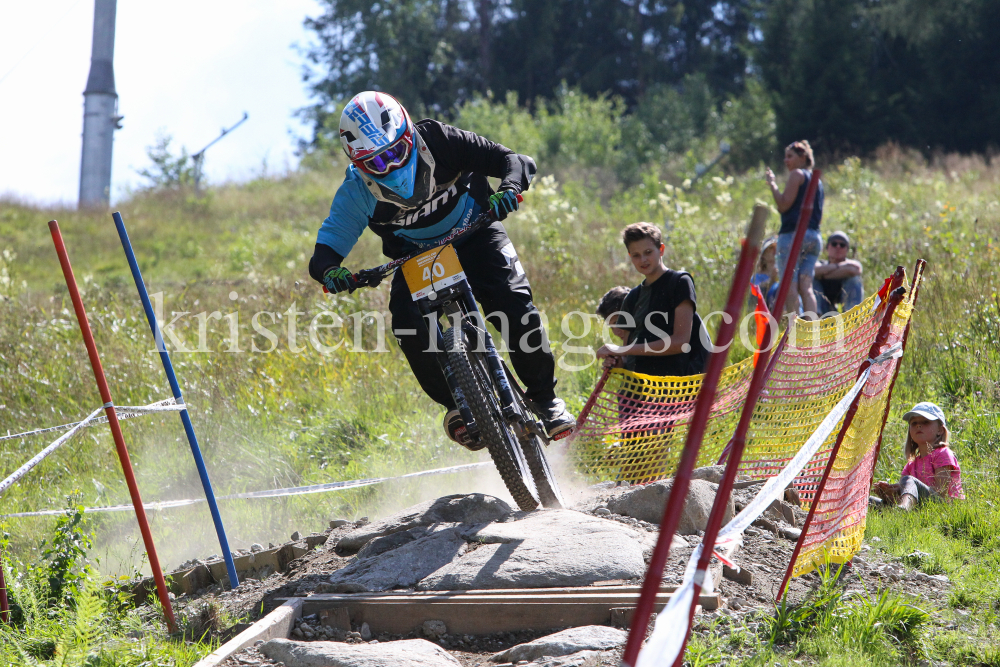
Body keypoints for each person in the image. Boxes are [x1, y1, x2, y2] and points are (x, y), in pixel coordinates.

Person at [308, 91, 575, 448]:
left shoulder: (439, 140)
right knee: (406, 326)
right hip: (416, 257)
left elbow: (513, 160)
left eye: (395, 152)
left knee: (513, 305)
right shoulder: (357, 192)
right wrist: (332, 274)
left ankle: (545, 398)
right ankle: (457, 406)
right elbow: (324, 254)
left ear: (409, 136)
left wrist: (508, 188)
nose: (389, 167)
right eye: (376, 163)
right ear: (358, 164)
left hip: (476, 231)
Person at [595, 222, 709, 376]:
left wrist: (622, 350)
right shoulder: (632, 298)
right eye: (636, 255)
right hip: (642, 390)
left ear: (661, 250)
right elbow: (630, 358)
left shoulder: (680, 282)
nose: (643, 260)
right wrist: (619, 363)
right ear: (630, 256)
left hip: (679, 386)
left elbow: (680, 342)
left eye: (648, 252)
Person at [765, 140, 825, 318]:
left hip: (793, 236)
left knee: (789, 284)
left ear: (803, 157)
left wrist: (773, 185)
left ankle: (796, 330)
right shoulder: (818, 182)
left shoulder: (796, 175)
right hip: (814, 236)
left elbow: (784, 205)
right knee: (806, 286)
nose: (785, 160)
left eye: (790, 156)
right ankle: (812, 330)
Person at [874, 402, 964, 510]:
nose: (918, 425)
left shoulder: (943, 454)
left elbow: (941, 493)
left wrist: (911, 486)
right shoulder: (911, 464)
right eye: (914, 423)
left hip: (944, 507)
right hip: (919, 508)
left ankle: (904, 509)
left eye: (926, 422)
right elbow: (904, 494)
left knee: (909, 481)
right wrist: (888, 493)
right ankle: (902, 510)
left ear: (940, 430)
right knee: (870, 502)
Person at [813, 231, 864, 314]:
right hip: (824, 304)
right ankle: (816, 315)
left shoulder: (852, 264)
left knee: (855, 279)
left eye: (842, 245)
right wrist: (837, 267)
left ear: (847, 249)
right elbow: (814, 271)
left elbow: (855, 269)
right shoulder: (820, 263)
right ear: (827, 247)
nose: (838, 247)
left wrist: (823, 275)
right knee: (811, 280)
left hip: (844, 299)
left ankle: (852, 315)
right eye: (834, 244)